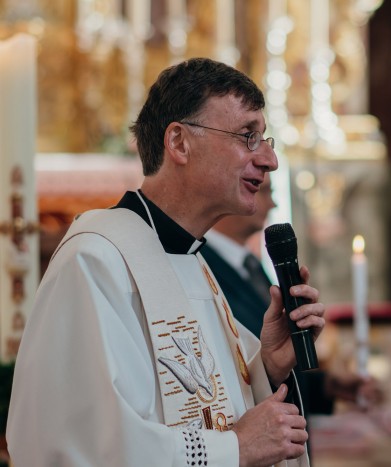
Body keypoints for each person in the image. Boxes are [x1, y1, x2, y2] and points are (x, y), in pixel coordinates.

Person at [7, 58, 326, 467]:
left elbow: (206, 404)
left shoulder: (191, 259)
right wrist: (234, 450)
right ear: (178, 143)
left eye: (266, 139)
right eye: (248, 136)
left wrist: (265, 365)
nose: (269, 160)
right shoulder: (96, 259)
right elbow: (72, 444)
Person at [200, 176, 380, 420]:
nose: (273, 204)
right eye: (262, 190)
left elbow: (273, 363)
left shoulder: (251, 264)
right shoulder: (201, 269)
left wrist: (325, 386)